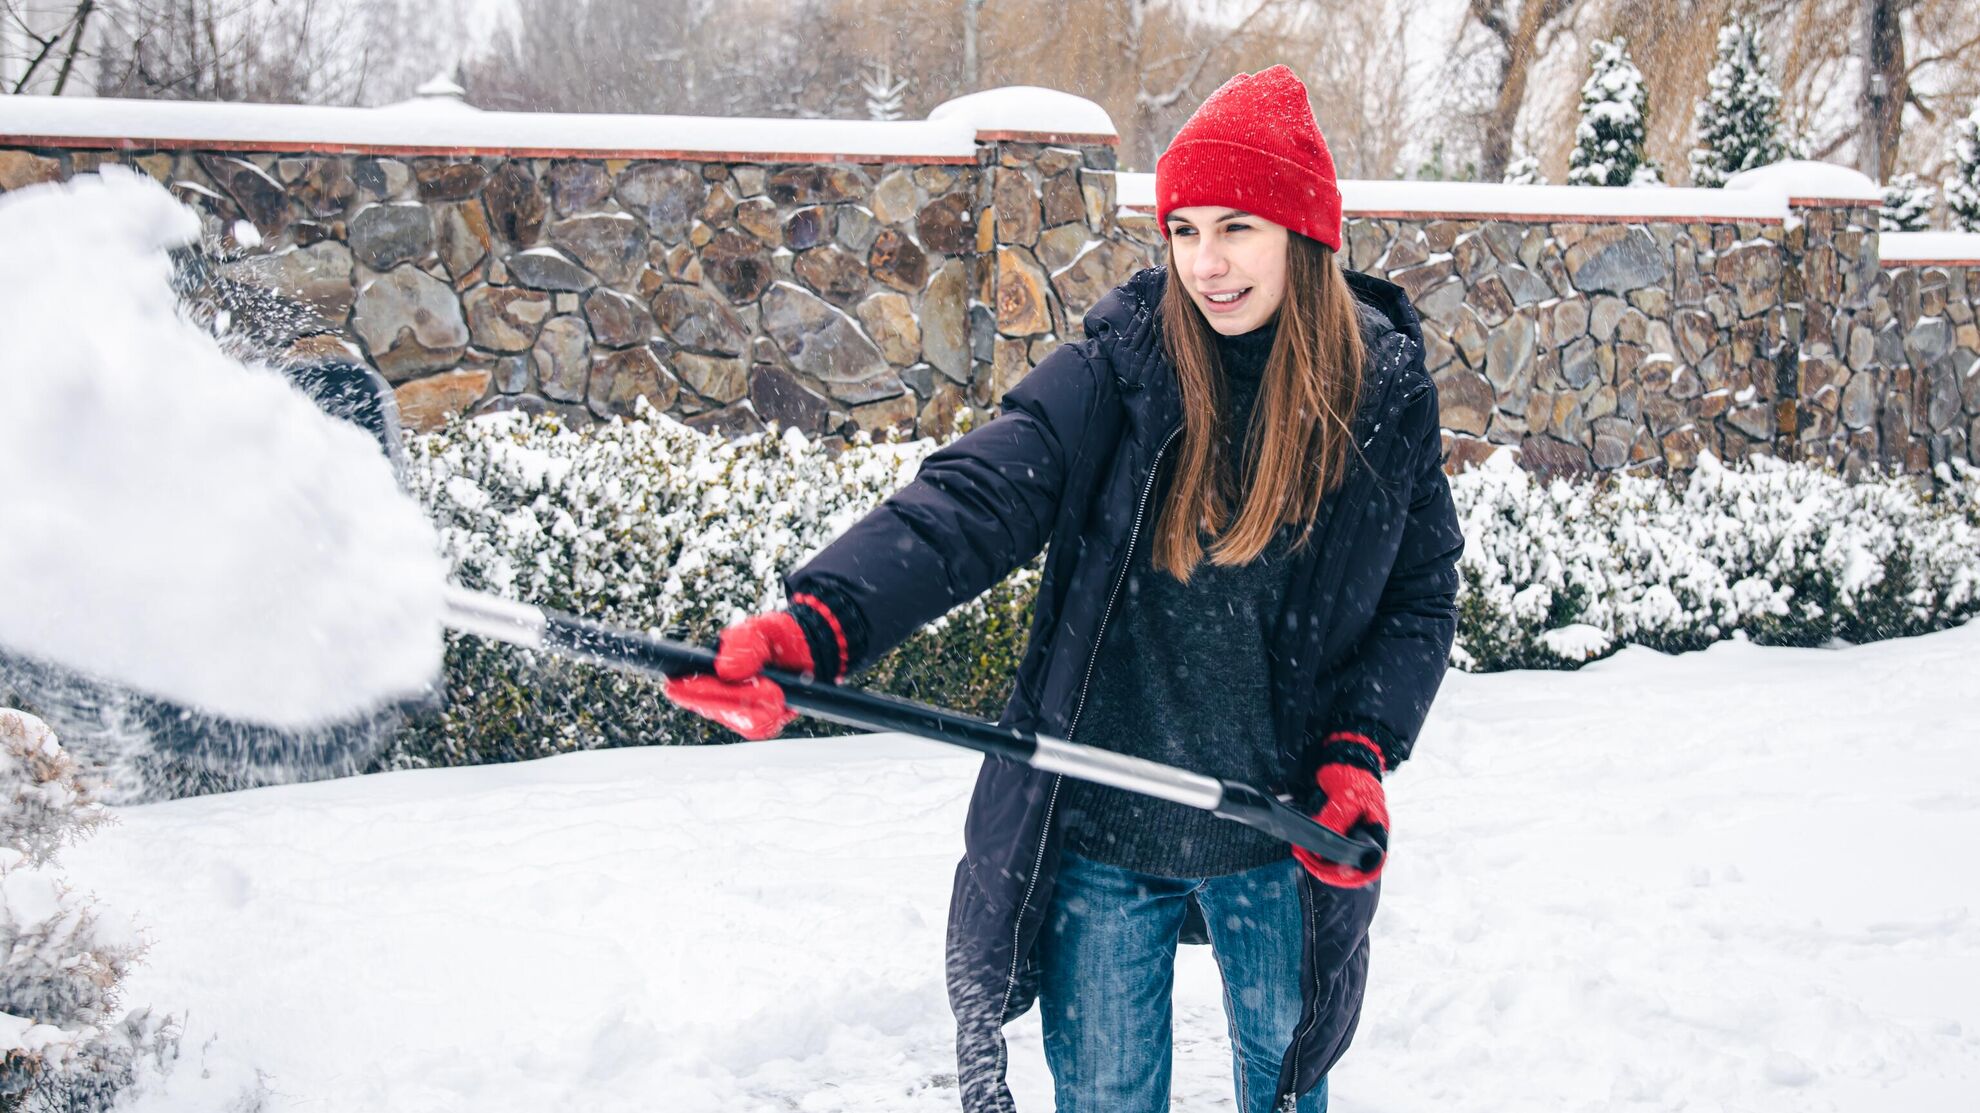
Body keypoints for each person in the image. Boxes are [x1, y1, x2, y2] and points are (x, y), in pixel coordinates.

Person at [665, 64, 1463, 1113]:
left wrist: (1359, 751)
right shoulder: (1127, 364)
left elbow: (1418, 598)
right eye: (1183, 231)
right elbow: (977, 495)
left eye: (1238, 228)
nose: (1208, 264)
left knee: (1285, 1092)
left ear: (1303, 235)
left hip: (1282, 832)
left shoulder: (1379, 394)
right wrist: (824, 621)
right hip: (1103, 832)